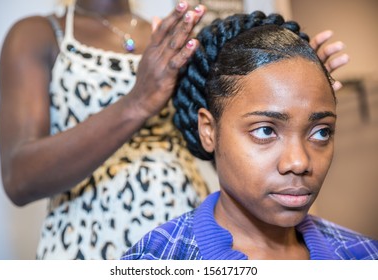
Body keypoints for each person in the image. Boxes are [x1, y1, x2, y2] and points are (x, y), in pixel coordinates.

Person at [0, 0, 348, 259]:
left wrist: (298, 89)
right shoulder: (38, 34)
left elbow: (228, 143)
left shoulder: (172, 35)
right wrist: (137, 102)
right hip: (87, 241)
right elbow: (19, 178)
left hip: (194, 236)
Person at [121, 11, 378, 260]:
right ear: (208, 131)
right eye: (266, 131)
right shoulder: (157, 259)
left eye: (321, 132)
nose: (300, 162)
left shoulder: (364, 256)